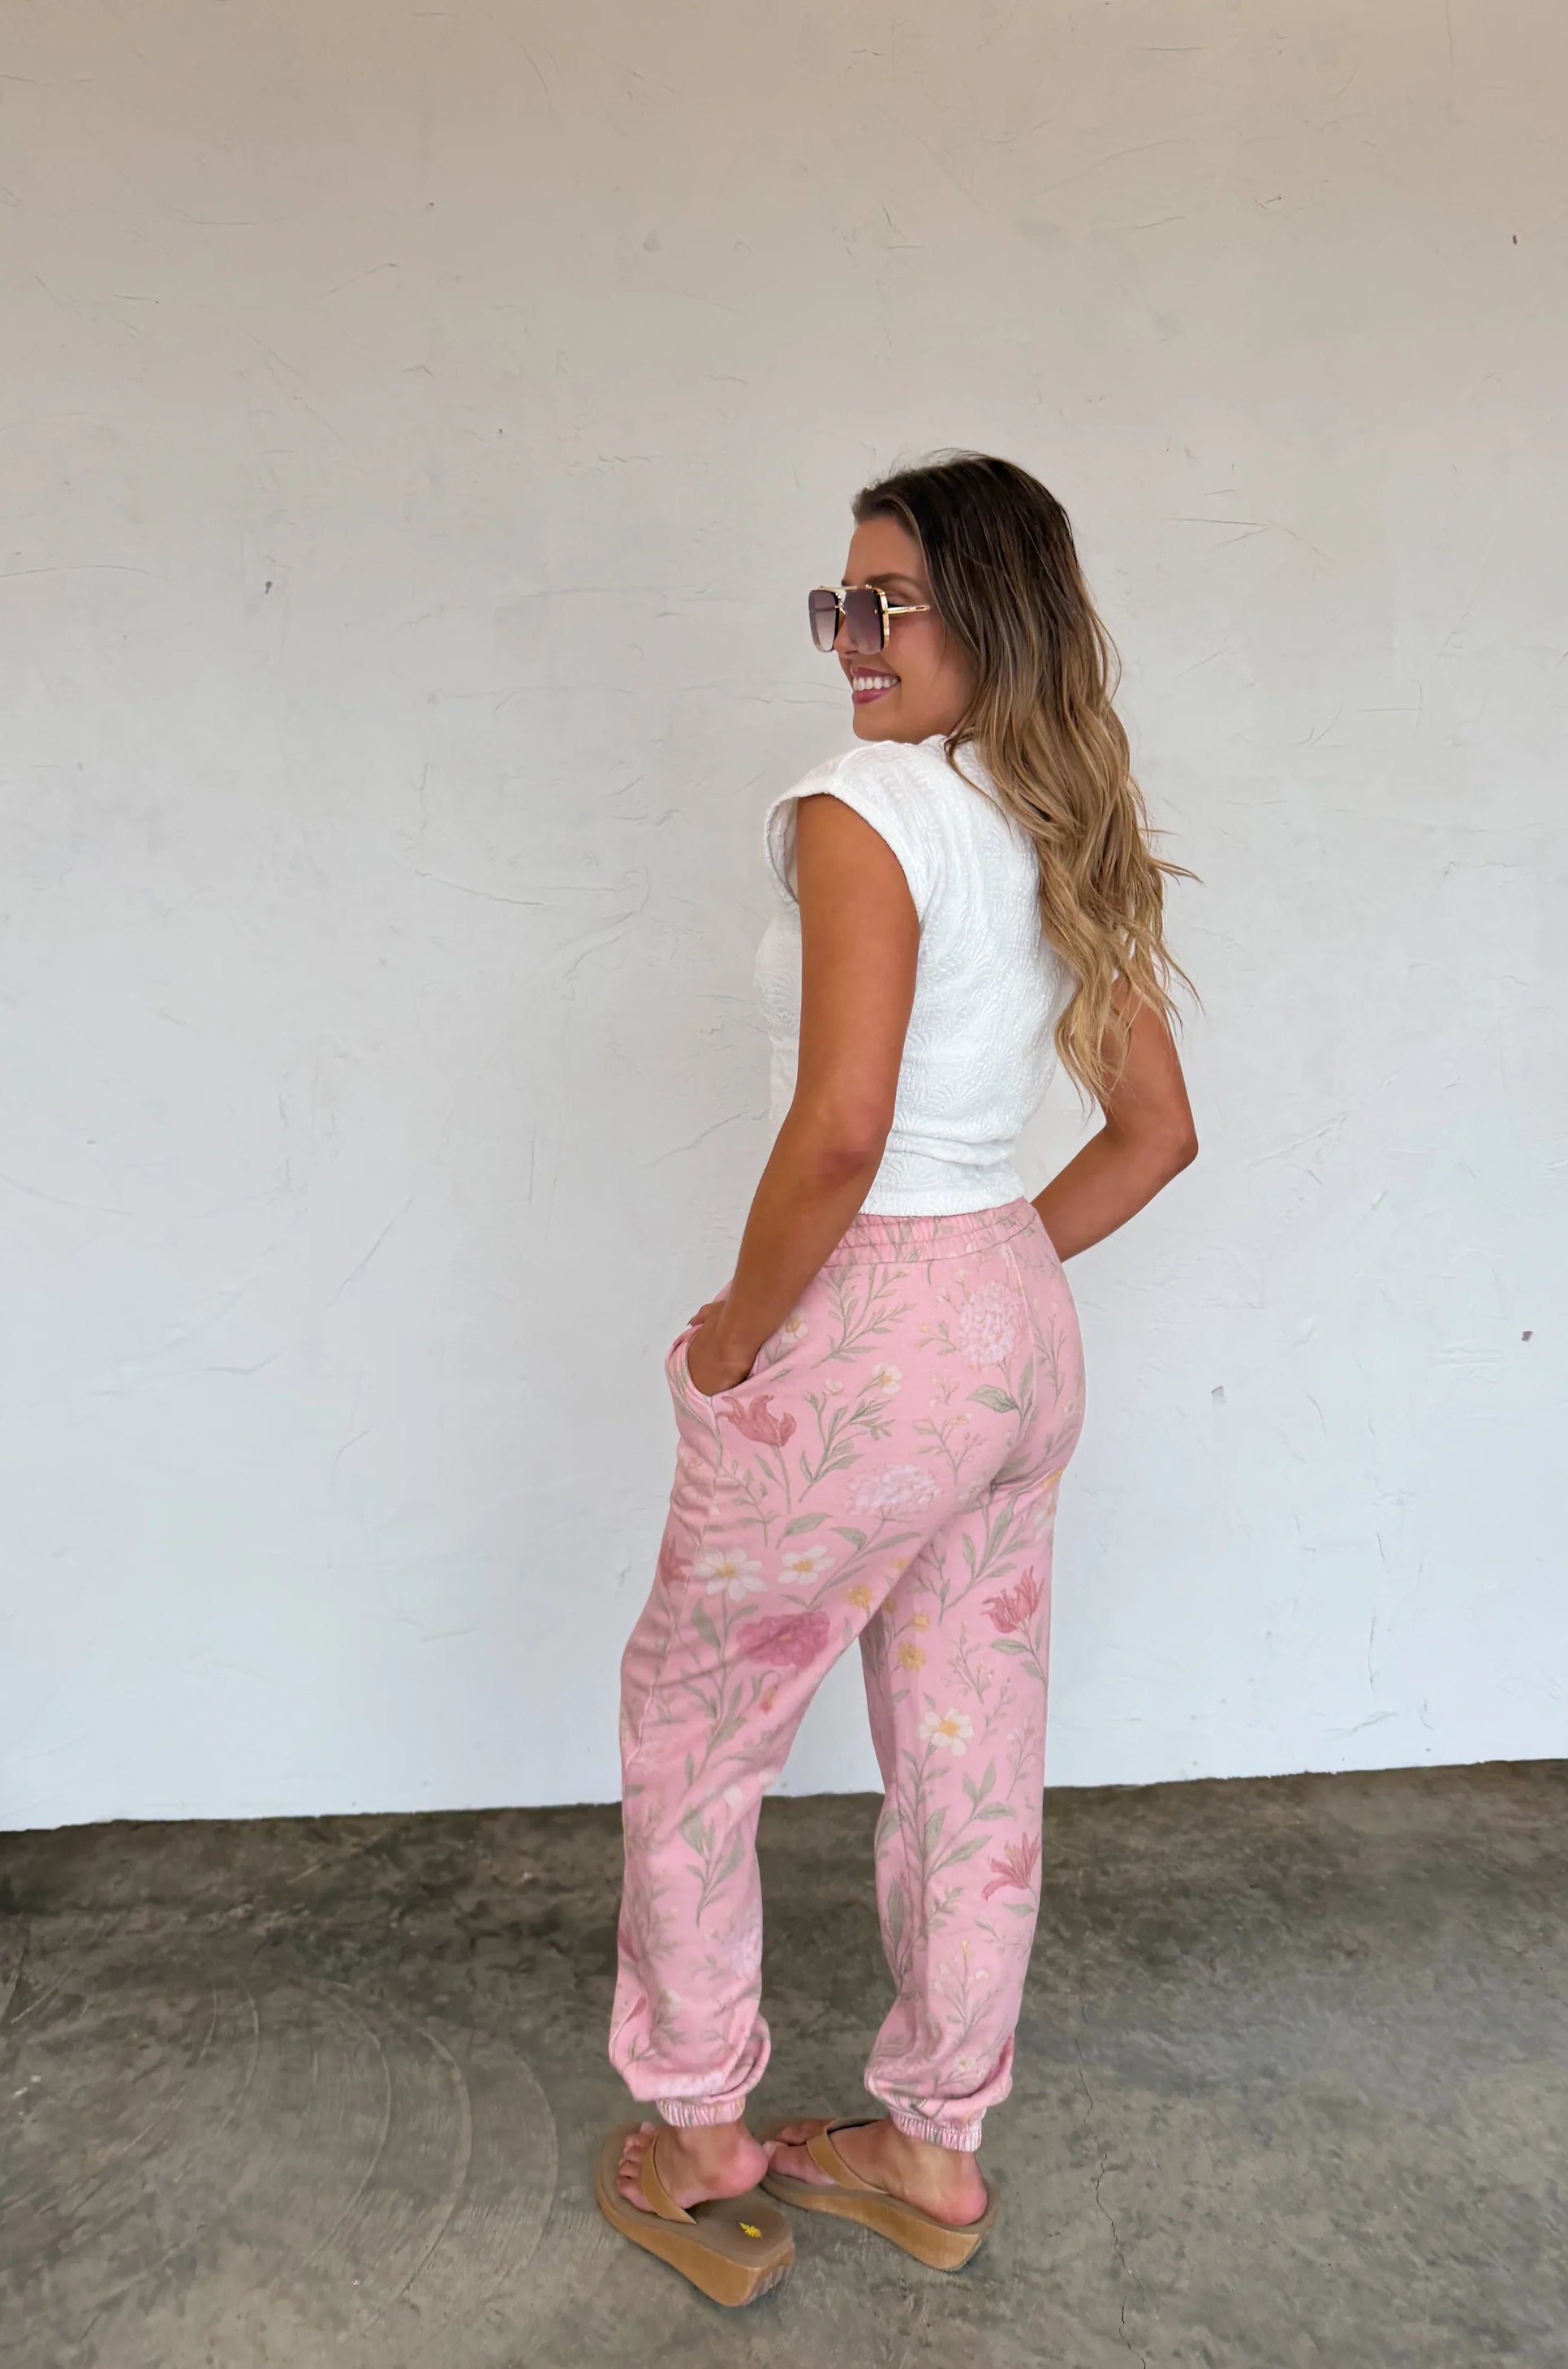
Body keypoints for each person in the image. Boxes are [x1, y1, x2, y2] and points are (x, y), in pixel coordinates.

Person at [594, 452, 1199, 2304]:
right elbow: (1154, 1134)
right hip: (1015, 1338)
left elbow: (842, 1126)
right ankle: (933, 2145)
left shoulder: (859, 805)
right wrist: (986, 1279)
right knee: (966, 1743)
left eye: (893, 603)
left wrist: (737, 1336)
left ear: (989, 615)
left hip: (868, 1319)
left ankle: (700, 2124)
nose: (854, 641)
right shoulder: (1049, 811)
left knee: (698, 1711)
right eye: (837, 605)